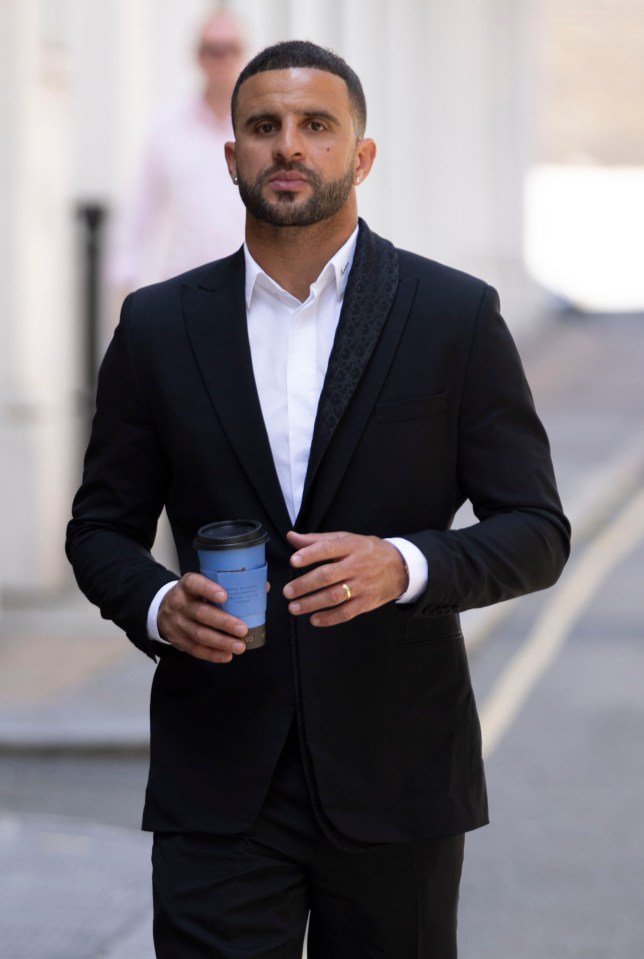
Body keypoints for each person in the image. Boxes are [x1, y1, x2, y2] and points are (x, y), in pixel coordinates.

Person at [67, 39, 571, 959]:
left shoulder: (453, 316)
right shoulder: (158, 326)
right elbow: (99, 527)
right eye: (263, 127)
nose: (288, 146)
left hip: (398, 776)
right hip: (216, 777)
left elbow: (536, 530)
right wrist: (155, 602)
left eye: (315, 127)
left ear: (361, 155)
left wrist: (407, 564)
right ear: (233, 158)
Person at [108, 6, 248, 292]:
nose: (221, 58)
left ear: (242, 55)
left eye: (229, 48)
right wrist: (125, 275)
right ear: (198, 56)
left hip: (245, 288)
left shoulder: (258, 129)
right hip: (182, 287)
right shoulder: (167, 128)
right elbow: (141, 204)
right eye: (212, 49)